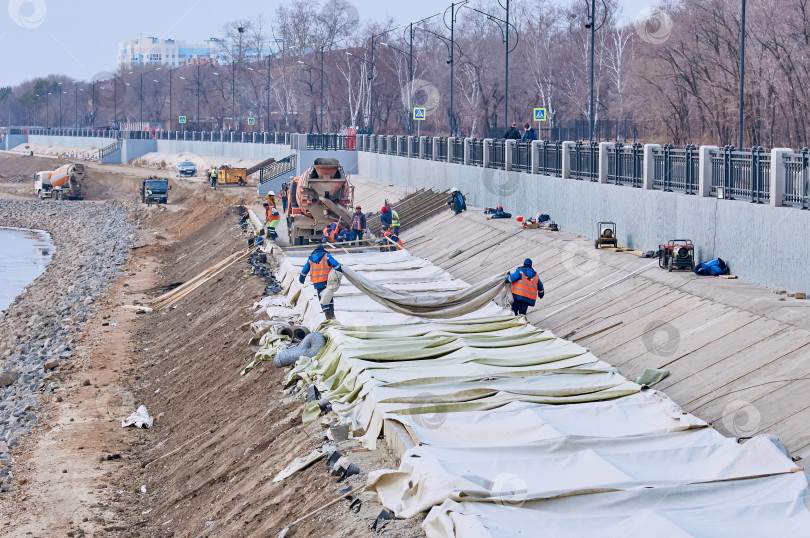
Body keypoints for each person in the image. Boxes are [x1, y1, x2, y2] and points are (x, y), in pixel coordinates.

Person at [299, 243, 342, 320]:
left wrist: (301, 278)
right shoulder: (327, 256)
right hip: (327, 281)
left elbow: (305, 270)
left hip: (317, 282)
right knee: (329, 296)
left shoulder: (311, 259)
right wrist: (339, 273)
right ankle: (331, 315)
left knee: (322, 298)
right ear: (323, 249)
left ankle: (328, 317)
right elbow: (336, 265)